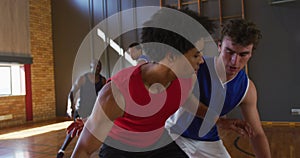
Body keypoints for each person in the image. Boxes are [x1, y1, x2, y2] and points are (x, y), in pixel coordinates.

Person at [69, 7, 253, 158]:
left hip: (158, 143)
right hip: (120, 150)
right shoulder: (115, 94)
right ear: (171, 56)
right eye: (196, 55)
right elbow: (84, 149)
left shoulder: (187, 78)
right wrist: (94, 118)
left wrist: (219, 121)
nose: (202, 61)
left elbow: (187, 101)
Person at [166, 19, 271, 158]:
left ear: (251, 54)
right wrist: (220, 122)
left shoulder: (247, 89)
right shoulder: (196, 66)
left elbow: (257, 134)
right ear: (219, 46)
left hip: (208, 141)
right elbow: (184, 100)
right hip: (174, 135)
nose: (235, 61)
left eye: (243, 54)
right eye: (229, 51)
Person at [56, 59, 106, 158]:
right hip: (81, 109)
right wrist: (69, 107)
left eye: (99, 66)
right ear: (91, 67)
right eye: (95, 66)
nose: (97, 68)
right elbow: (72, 92)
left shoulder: (102, 80)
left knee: (96, 130)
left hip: (93, 110)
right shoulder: (83, 78)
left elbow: (104, 95)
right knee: (75, 128)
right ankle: (62, 150)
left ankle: (98, 151)